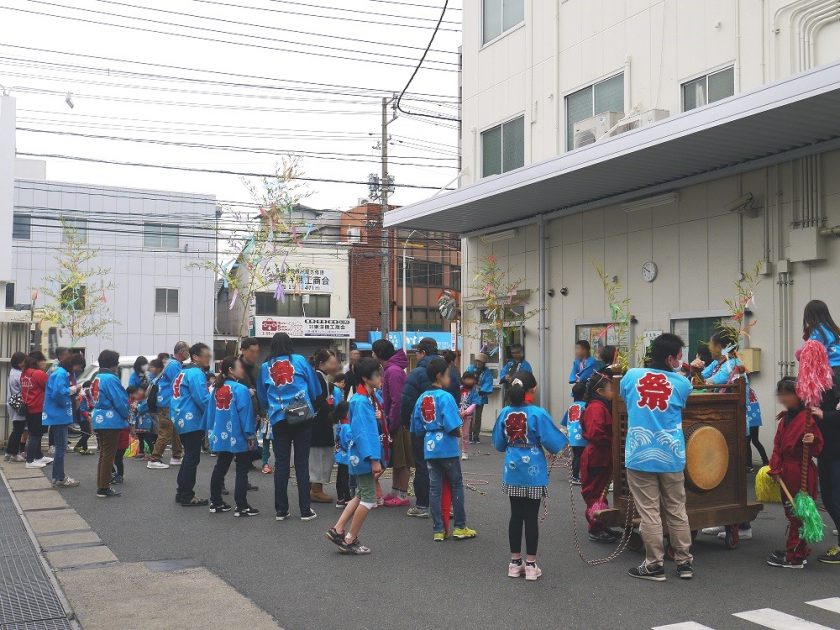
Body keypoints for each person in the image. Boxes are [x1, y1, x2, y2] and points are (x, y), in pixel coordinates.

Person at [620, 333, 694, 581]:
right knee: (676, 509)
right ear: (670, 358)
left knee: (649, 512)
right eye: (679, 357)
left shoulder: (631, 376)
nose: (681, 361)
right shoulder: (683, 384)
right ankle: (684, 562)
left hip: (639, 454)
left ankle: (654, 564)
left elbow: (625, 397)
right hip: (671, 455)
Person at [493, 371, 567, 580]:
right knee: (531, 518)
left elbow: (499, 444)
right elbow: (554, 444)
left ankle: (514, 563)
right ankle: (532, 565)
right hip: (534, 470)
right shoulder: (538, 413)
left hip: (513, 469)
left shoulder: (505, 412)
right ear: (532, 389)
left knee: (515, 515)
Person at [256, 332, 321, 522]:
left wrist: (272, 408)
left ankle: (281, 510)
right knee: (302, 462)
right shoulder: (299, 360)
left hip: (279, 418)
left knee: (282, 463)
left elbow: (262, 396)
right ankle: (305, 510)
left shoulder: (265, 367)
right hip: (301, 416)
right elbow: (315, 388)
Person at [411, 357, 477, 542]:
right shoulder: (446, 397)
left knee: (434, 488)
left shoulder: (422, 398)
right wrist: (457, 431)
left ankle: (438, 529)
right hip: (447, 446)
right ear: (440, 376)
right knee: (456, 484)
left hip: (429, 445)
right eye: (447, 374)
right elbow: (452, 425)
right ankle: (460, 527)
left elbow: (416, 427)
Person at [765, 377, 824, 569]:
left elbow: (817, 448)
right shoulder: (786, 418)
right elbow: (777, 445)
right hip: (786, 471)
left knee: (798, 513)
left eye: (786, 394)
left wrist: (812, 439)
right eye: (780, 394)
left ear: (798, 395)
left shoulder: (807, 419)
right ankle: (797, 550)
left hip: (801, 471)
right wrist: (775, 467)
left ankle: (795, 555)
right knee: (792, 511)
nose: (782, 398)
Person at [326, 357, 383, 554]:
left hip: (360, 456)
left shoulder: (363, 398)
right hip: (364, 456)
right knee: (368, 499)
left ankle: (338, 529)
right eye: (377, 374)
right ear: (367, 378)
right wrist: (374, 459)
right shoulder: (360, 401)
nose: (380, 378)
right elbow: (362, 433)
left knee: (360, 495)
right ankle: (350, 538)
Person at [207, 356, 259, 517]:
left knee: (221, 466)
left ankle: (216, 502)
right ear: (231, 370)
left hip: (220, 434)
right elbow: (245, 415)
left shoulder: (217, 388)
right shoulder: (240, 389)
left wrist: (210, 433)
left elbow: (210, 413)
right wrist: (250, 436)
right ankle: (241, 505)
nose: (242, 369)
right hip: (238, 434)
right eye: (239, 367)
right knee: (242, 469)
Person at [400, 337, 439, 518]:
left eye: (417, 352)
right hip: (445, 429)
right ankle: (447, 505)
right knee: (445, 465)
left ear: (422, 352)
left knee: (423, 465)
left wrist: (407, 424)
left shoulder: (416, 374)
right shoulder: (450, 371)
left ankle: (422, 505)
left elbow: (407, 402)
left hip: (422, 428)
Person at [171, 342, 212, 506]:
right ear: (195, 357)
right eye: (205, 355)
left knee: (188, 456)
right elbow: (202, 398)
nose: (208, 358)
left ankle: (181, 492)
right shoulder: (196, 373)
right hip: (191, 418)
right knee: (191, 457)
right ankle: (187, 494)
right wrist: (215, 413)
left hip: (180, 417)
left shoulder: (183, 372)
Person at [373, 338, 411, 508]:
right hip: (394, 419)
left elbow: (397, 400)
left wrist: (392, 422)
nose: (372, 355)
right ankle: (396, 491)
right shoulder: (391, 369)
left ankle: (402, 494)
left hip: (398, 421)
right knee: (396, 458)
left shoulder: (393, 371)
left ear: (379, 354)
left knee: (402, 459)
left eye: (373, 352)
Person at [580, 371, 617, 543]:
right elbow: (596, 434)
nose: (613, 392)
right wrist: (613, 440)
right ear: (600, 391)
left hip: (601, 454)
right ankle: (595, 528)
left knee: (600, 491)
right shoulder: (596, 408)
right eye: (610, 388)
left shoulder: (598, 406)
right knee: (596, 493)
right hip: (597, 455)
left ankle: (600, 524)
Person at [90, 350, 130, 498]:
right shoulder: (111, 378)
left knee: (103, 454)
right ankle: (103, 487)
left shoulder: (97, 377)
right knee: (109, 455)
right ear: (113, 364)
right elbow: (120, 400)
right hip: (110, 420)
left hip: (98, 418)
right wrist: (126, 415)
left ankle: (101, 484)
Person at [42, 352, 85, 487]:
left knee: (60, 447)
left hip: (56, 414)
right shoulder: (61, 374)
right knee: (61, 448)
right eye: (80, 367)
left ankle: (58, 476)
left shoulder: (60, 372)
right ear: (74, 364)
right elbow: (59, 393)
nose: (79, 370)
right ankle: (59, 477)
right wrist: (74, 389)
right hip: (59, 415)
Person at [148, 341, 188, 469]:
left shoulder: (171, 363)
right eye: (187, 351)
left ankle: (176, 456)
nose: (189, 353)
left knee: (174, 429)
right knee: (165, 430)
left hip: (166, 400)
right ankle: (154, 458)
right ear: (182, 352)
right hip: (167, 401)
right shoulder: (174, 365)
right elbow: (179, 383)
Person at [310, 348, 341, 504]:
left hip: (318, 424)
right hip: (320, 424)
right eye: (332, 362)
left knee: (318, 455)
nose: (335, 365)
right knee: (320, 456)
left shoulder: (320, 377)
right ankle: (316, 489)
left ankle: (314, 487)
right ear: (322, 363)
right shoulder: (318, 378)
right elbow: (320, 401)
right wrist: (332, 412)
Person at [239, 337, 268, 474]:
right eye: (252, 351)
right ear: (243, 350)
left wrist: (262, 412)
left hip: (254, 412)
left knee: (250, 444)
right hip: (237, 412)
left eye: (257, 352)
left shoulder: (258, 369)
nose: (255, 355)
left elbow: (261, 392)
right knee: (242, 445)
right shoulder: (233, 366)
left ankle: (245, 465)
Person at [21, 351, 52, 469]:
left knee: (35, 433)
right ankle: (30, 460)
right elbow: (49, 387)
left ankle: (38, 456)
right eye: (43, 360)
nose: (45, 362)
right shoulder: (39, 373)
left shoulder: (25, 373)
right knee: (35, 434)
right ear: (37, 361)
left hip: (29, 407)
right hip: (38, 407)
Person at [562, 382, 588, 485]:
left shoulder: (571, 407)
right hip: (582, 435)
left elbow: (564, 421)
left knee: (576, 456)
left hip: (572, 435)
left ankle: (575, 475)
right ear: (585, 394)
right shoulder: (585, 406)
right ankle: (575, 476)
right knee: (580, 456)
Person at [465, 352, 494, 444]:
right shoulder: (470, 368)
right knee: (469, 416)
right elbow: (465, 378)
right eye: (477, 361)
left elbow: (488, 382)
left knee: (478, 417)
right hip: (470, 395)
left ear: (484, 363)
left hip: (481, 395)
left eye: (480, 362)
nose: (478, 363)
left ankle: (476, 436)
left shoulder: (487, 372)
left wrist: (482, 390)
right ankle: (468, 435)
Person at [802, 299, 840, 367]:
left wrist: (801, 354)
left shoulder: (817, 331)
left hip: (832, 367)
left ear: (809, 316)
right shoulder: (833, 328)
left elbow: (813, 352)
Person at [5, 351, 28, 462]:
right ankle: (14, 454)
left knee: (16, 429)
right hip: (19, 404)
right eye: (25, 360)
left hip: (13, 403)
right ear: (20, 363)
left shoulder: (13, 372)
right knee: (18, 430)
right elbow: (25, 388)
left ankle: (9, 452)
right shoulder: (19, 374)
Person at [333, 400, 352, 508]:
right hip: (346, 456)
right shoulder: (347, 427)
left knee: (340, 477)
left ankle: (340, 498)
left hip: (340, 455)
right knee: (345, 478)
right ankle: (347, 498)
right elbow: (348, 443)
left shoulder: (341, 424)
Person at [458, 371, 480, 461]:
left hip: (467, 416)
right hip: (457, 414)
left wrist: (466, 412)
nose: (469, 381)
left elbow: (475, 403)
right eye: (467, 378)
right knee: (455, 433)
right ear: (463, 379)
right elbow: (454, 400)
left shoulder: (474, 391)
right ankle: (454, 451)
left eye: (471, 379)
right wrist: (458, 411)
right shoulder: (459, 389)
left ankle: (464, 452)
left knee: (465, 434)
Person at [73, 381, 95, 455]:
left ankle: (84, 449)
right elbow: (82, 409)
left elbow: (90, 405)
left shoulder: (88, 396)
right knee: (87, 433)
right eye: (90, 389)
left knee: (85, 433)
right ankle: (77, 446)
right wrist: (88, 416)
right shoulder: (82, 396)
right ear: (87, 389)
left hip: (85, 416)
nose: (91, 391)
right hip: (82, 418)